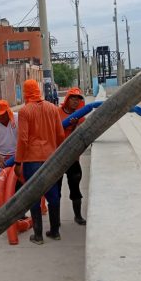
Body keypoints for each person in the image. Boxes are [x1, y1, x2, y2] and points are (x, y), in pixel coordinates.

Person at [15, 79, 65, 245]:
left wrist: (17, 162)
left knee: (34, 197)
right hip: (51, 158)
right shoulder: (53, 108)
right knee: (53, 195)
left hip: (32, 160)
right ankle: (55, 231)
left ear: (25, 92)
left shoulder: (25, 111)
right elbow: (60, 135)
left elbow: (22, 139)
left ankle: (38, 235)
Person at [57, 87, 87, 225]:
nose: (75, 102)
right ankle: (55, 220)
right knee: (55, 191)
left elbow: (81, 138)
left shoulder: (80, 118)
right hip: (57, 158)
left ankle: (78, 216)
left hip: (73, 159)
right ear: (67, 100)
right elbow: (54, 134)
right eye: (73, 98)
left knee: (75, 187)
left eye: (78, 99)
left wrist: (74, 126)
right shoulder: (57, 114)